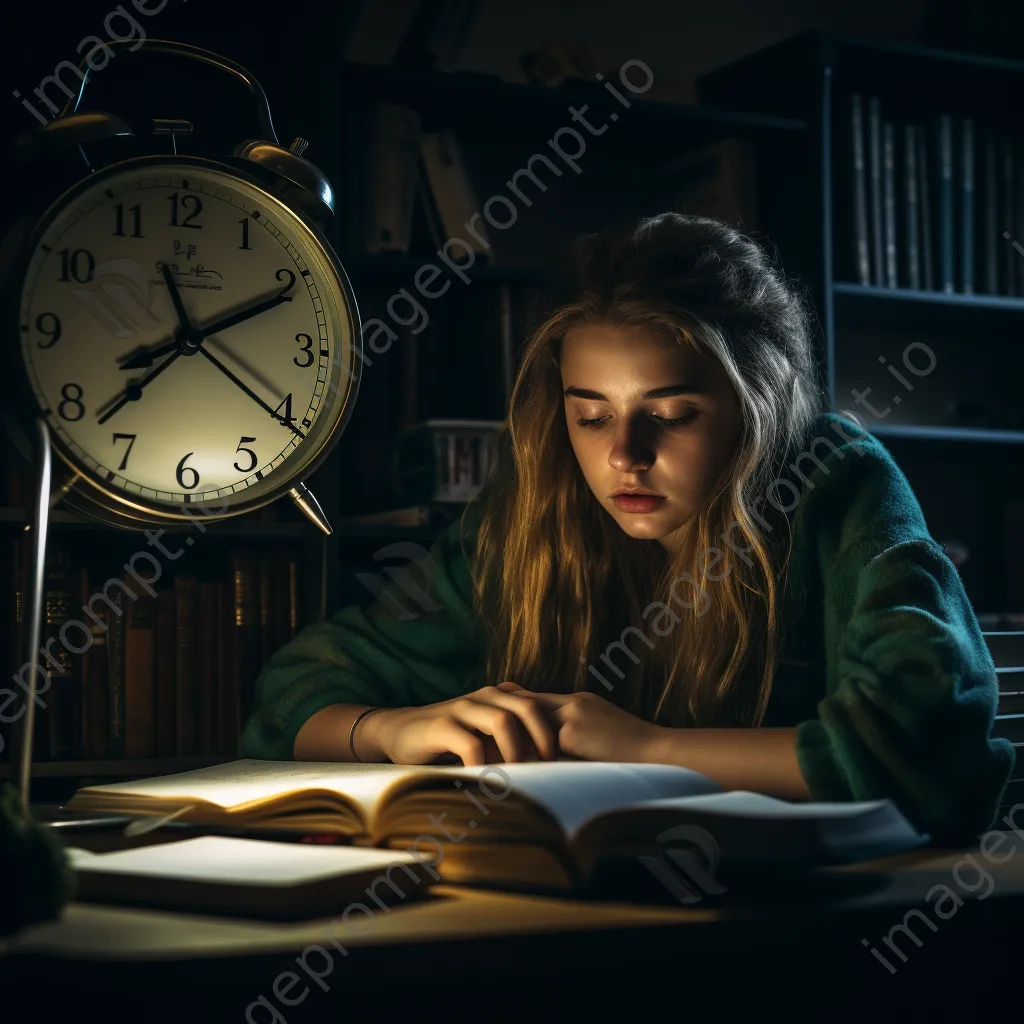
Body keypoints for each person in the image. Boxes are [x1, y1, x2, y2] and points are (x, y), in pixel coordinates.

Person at [241, 212, 1014, 844]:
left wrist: (645, 747)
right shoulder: (533, 510)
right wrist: (394, 730)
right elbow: (294, 694)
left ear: (759, 406)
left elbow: (929, 751)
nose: (623, 457)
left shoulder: (836, 484)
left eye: (671, 416)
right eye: (590, 414)